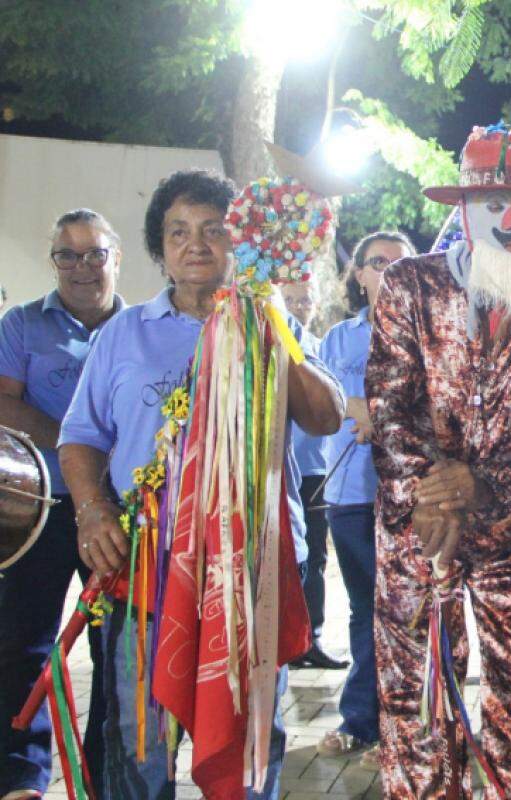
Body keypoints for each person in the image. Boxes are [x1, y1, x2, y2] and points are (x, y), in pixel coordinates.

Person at [58, 169, 344, 797]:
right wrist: (91, 512)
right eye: (177, 232)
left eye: (214, 230)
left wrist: (271, 322)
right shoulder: (123, 334)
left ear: (239, 241)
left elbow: (325, 417)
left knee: (246, 747)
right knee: (140, 747)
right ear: (159, 249)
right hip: (147, 571)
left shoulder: (268, 321)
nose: (196, 245)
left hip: (251, 573)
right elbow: (80, 436)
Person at [366, 124, 511, 798]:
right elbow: (388, 401)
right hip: (418, 534)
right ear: (462, 211)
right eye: (498, 205)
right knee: (417, 696)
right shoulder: (410, 285)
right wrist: (429, 497)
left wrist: (479, 485)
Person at [0, 209, 124, 800]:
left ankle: (103, 776)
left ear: (115, 258)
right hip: (40, 510)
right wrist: (79, 442)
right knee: (23, 643)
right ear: (53, 262)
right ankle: (23, 776)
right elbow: (4, 406)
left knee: (114, 650)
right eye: (67, 255)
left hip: (120, 515)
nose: (81, 267)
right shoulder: (21, 324)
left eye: (94, 253)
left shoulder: (141, 330)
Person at [315, 230, 415, 768]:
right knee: (363, 612)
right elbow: (321, 405)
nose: (390, 273)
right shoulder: (336, 339)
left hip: (414, 499)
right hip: (352, 496)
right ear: (359, 275)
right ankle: (362, 720)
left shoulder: (431, 332)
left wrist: (386, 417)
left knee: (412, 613)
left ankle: (412, 725)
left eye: (402, 264)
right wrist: (357, 407)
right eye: (378, 263)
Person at [281, 277, 348, 671]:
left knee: (314, 557)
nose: (298, 305)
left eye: (304, 299)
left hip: (317, 470)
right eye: (289, 299)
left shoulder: (315, 348)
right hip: (283, 471)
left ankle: (312, 636)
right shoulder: (271, 337)